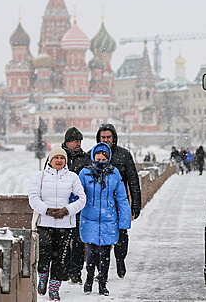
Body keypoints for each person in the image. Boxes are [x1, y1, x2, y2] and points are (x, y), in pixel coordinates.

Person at [28, 144, 86, 301]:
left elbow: (82, 199)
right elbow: (33, 198)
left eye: (62, 158)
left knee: (60, 258)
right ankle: (43, 278)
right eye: (56, 158)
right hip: (44, 223)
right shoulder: (40, 176)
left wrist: (66, 210)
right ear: (50, 160)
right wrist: (47, 210)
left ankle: (54, 289)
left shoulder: (73, 177)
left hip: (65, 225)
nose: (59, 160)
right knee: (44, 255)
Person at [79, 142, 131, 296]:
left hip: (109, 219)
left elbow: (122, 198)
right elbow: (78, 195)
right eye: (98, 157)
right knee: (91, 253)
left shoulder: (114, 174)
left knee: (105, 254)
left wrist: (124, 221)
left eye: (104, 157)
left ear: (108, 158)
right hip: (89, 218)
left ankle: (103, 282)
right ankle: (89, 277)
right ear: (93, 156)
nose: (100, 160)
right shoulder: (85, 173)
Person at [95, 124, 141, 279]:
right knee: (101, 236)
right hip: (100, 205)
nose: (106, 140)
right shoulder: (93, 155)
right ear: (98, 138)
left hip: (119, 203)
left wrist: (136, 203)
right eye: (103, 137)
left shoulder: (124, 155)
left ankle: (120, 260)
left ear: (114, 138)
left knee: (121, 235)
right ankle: (102, 268)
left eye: (109, 137)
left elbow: (133, 181)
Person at [61, 127, 91, 285]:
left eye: (80, 141)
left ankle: (76, 271)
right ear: (67, 142)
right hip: (62, 205)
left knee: (78, 241)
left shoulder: (85, 158)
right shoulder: (58, 157)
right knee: (63, 238)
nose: (79, 144)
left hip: (79, 205)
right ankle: (64, 270)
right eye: (75, 141)